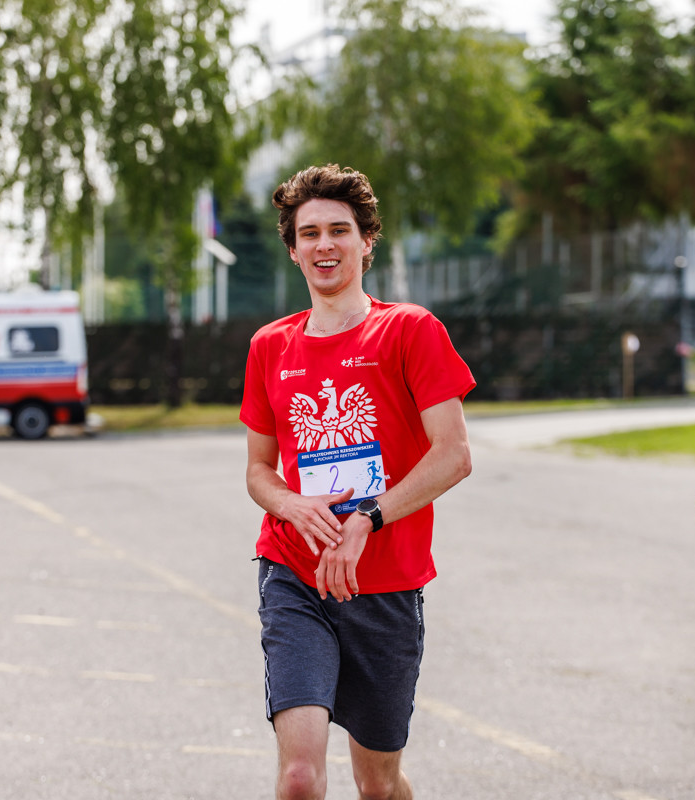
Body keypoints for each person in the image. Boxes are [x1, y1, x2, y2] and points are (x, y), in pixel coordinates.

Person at [240, 164, 475, 800]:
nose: (324, 245)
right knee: (299, 777)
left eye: (339, 230)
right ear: (293, 250)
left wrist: (367, 518)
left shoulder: (410, 330)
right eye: (309, 233)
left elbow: (453, 455)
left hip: (386, 584)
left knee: (378, 783)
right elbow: (259, 470)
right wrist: (291, 505)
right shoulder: (270, 346)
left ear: (367, 240)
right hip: (295, 572)